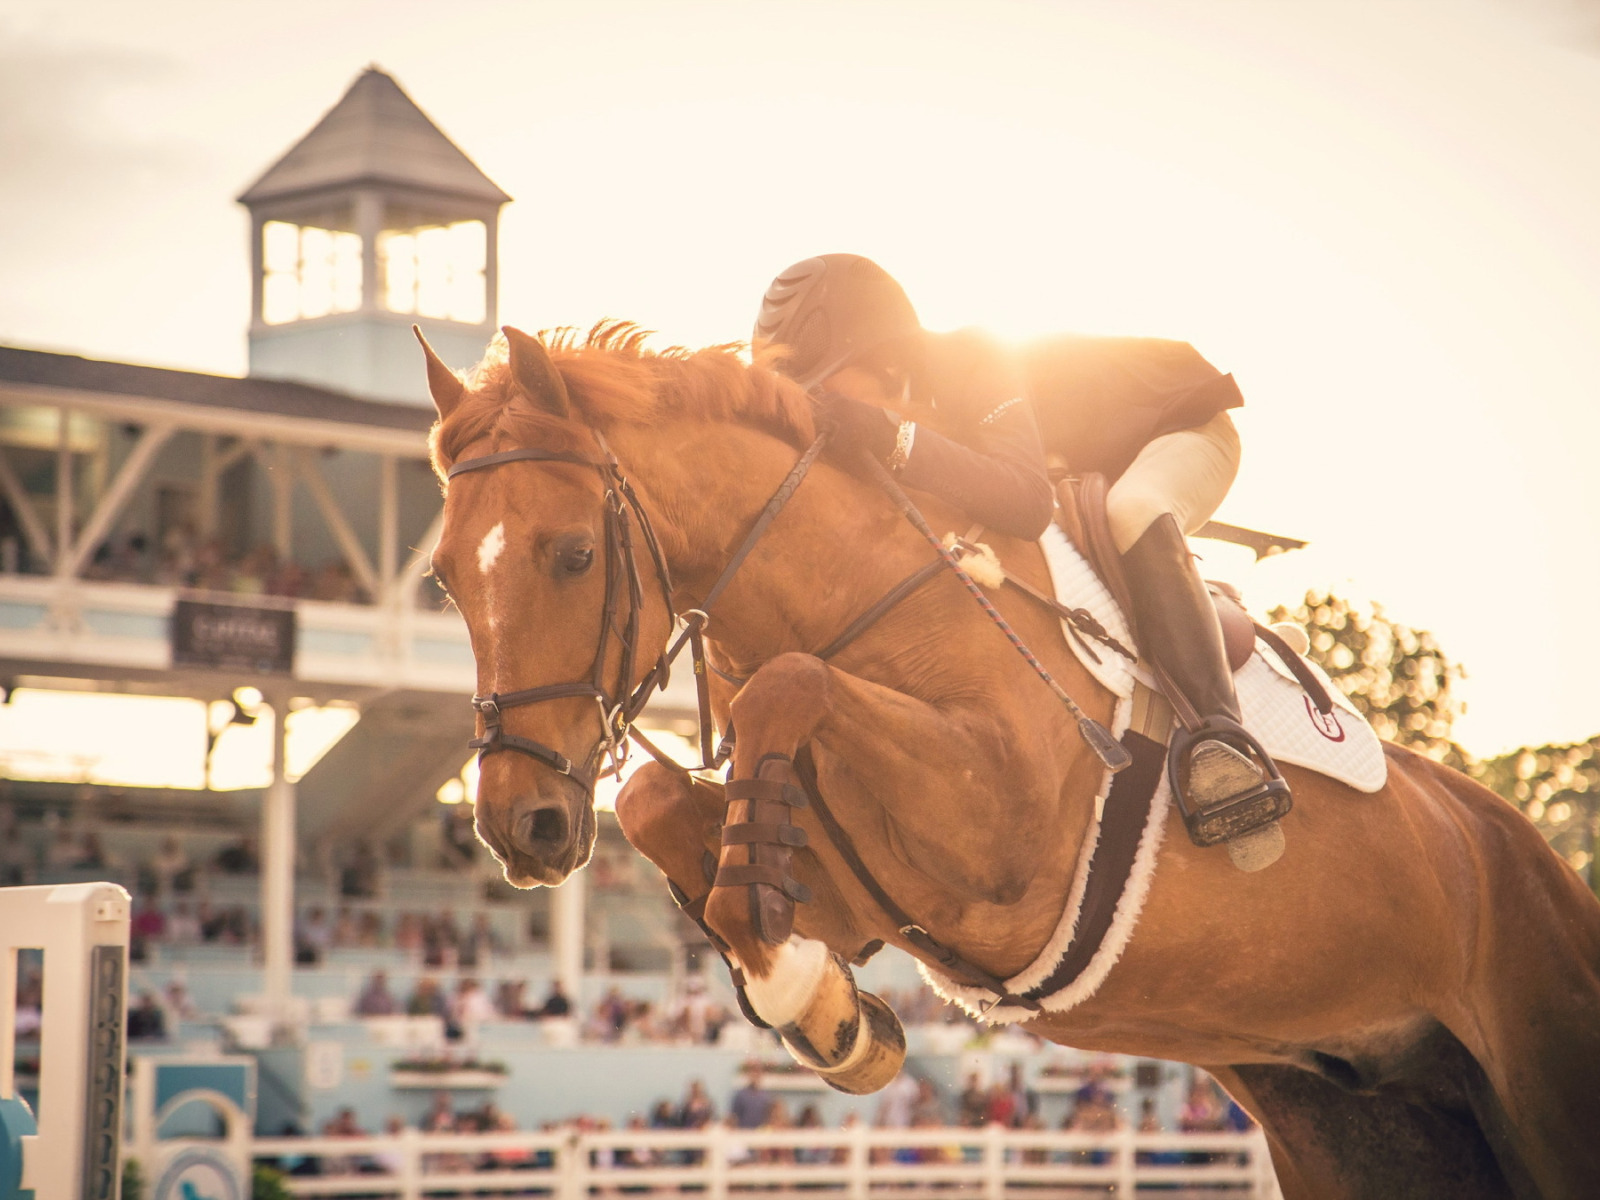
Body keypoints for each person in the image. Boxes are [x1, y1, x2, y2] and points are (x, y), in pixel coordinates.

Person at [753, 253, 1289, 844]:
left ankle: (1222, 740)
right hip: (1080, 456)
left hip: (1185, 430)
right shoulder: (903, 392)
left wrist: (884, 433)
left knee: (1131, 511)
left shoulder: (976, 357)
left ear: (880, 357)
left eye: (822, 382)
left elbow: (1025, 504)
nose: (813, 401)